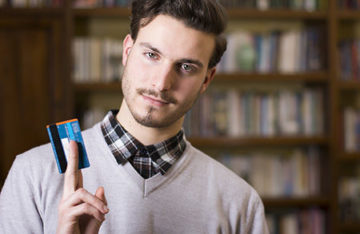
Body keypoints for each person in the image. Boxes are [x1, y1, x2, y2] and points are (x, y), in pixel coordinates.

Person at [0, 0, 269, 233]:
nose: (162, 83)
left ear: (207, 79)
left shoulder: (240, 204)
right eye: (152, 55)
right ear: (127, 51)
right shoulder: (32, 174)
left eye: (186, 67)